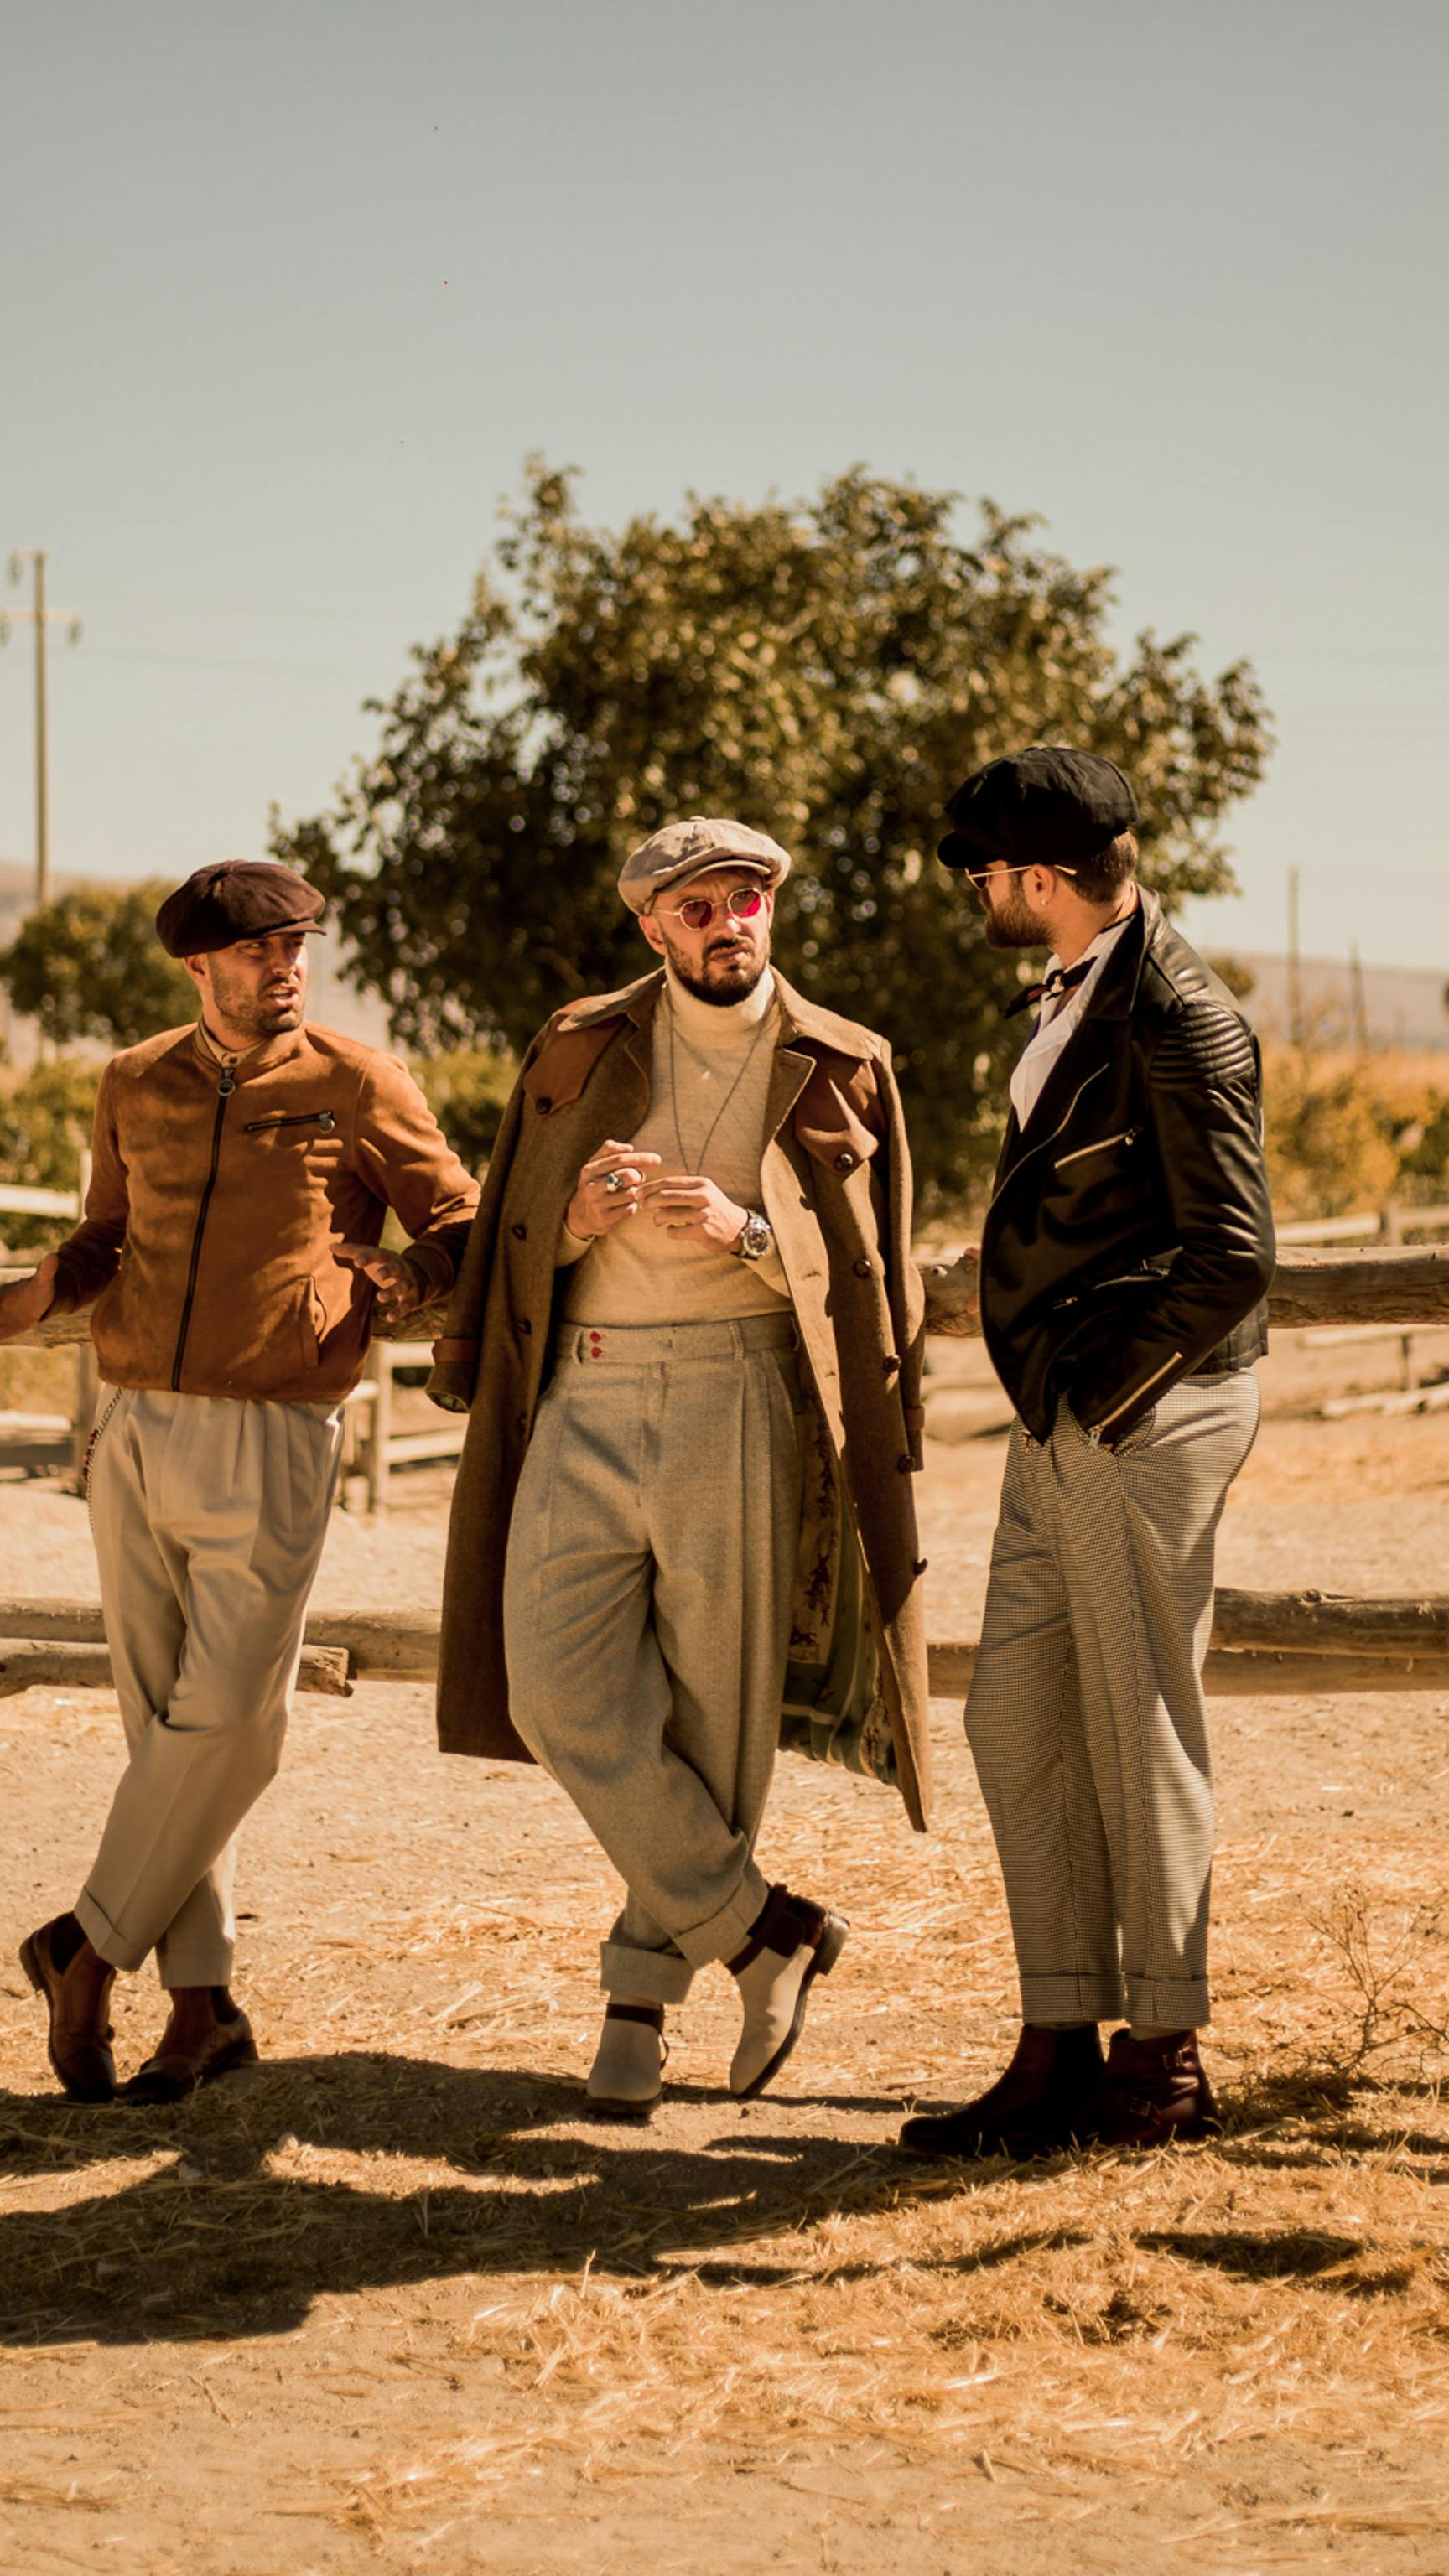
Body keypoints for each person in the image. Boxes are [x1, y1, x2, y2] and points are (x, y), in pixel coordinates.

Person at [427, 816, 932, 2120]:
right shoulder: (575, 1044)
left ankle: (637, 2005)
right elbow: (512, 1224)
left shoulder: (845, 1063)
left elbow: (880, 1279)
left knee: (714, 1723)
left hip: (738, 1396)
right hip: (581, 1390)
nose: (726, 926)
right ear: (649, 926)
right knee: (552, 1691)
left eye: (744, 902)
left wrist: (747, 1232)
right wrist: (573, 1221)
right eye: (696, 909)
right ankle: (764, 1933)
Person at [0, 858, 481, 2106]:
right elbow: (109, 1234)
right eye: (261, 951)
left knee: (235, 1728)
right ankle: (200, 2006)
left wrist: (400, 1283)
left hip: (273, 1426)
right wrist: (47, 1285)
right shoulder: (133, 1080)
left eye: (298, 946)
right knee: (162, 1727)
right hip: (130, 1424)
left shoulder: (356, 1080)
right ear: (199, 967)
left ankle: (84, 1946)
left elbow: (463, 1224)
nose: (287, 968)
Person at [901, 750, 1274, 2158]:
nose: (976, 894)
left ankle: (1161, 2057)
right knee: (1016, 1715)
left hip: (1135, 1412)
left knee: (1140, 1727)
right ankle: (1055, 2044)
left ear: (1039, 877)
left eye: (983, 873)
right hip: (1067, 1411)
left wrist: (1109, 1400)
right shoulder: (1080, 988)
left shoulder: (1179, 1015)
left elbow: (1232, 1256)